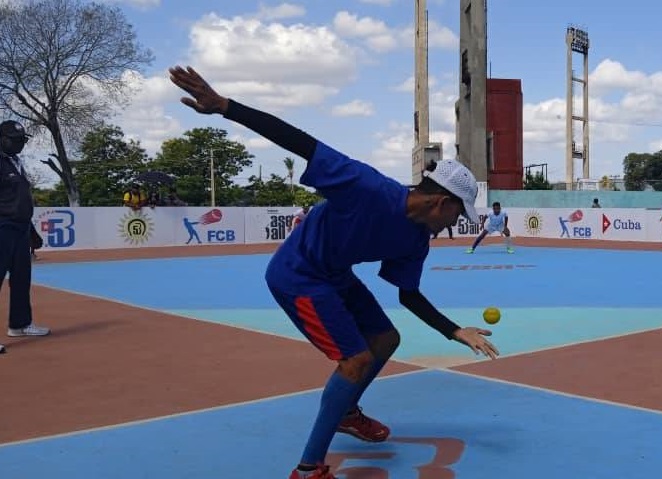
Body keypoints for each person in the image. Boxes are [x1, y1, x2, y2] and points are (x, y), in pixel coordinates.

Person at [168, 65, 500, 479]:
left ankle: (345, 411)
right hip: (298, 275)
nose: (455, 225)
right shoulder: (366, 186)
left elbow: (408, 295)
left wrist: (455, 330)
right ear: (442, 203)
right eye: (458, 214)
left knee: (386, 338)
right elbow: (301, 142)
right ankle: (308, 469)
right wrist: (225, 107)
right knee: (355, 360)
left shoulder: (416, 238)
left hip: (335, 275)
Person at [0, 120, 51, 356]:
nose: (20, 144)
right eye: (15, 140)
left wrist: (31, 231)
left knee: (21, 279)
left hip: (20, 229)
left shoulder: (16, 162)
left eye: (23, 140)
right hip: (2, 228)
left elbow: (20, 201)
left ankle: (19, 325)